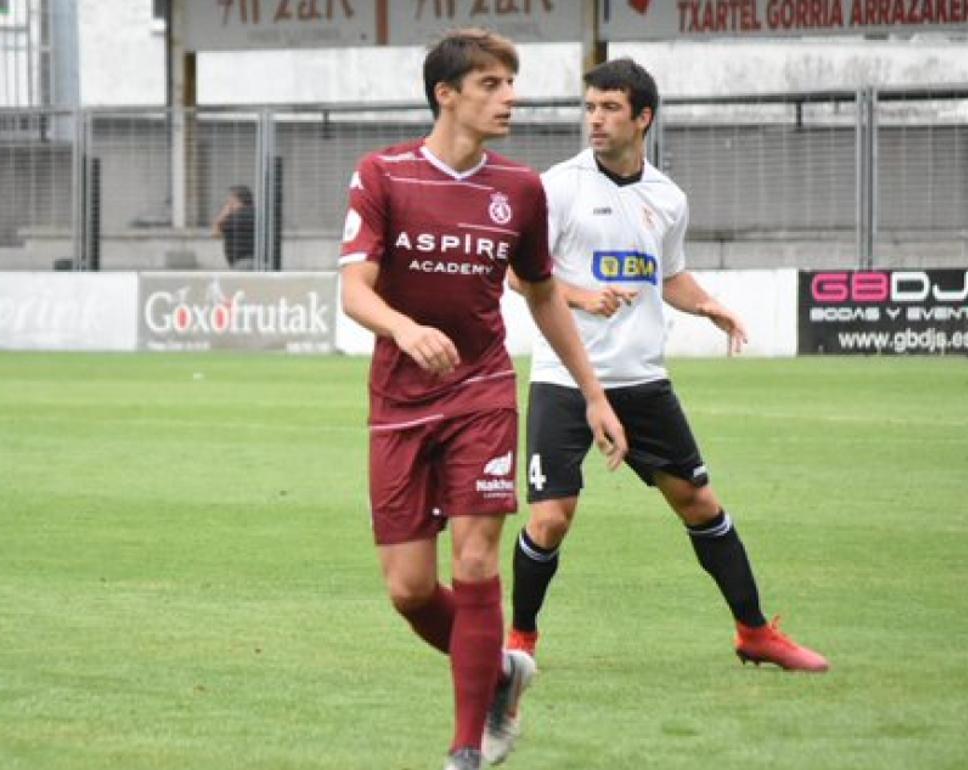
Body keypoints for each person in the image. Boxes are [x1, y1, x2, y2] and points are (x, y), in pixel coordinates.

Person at [339, 30, 629, 770]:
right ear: (448, 94)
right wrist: (404, 329)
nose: (511, 97)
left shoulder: (520, 189)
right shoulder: (383, 174)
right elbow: (351, 292)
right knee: (408, 589)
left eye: (511, 83)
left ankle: (467, 746)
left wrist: (594, 394)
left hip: (483, 392)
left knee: (474, 561)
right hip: (401, 401)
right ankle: (498, 670)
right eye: (493, 84)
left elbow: (541, 296)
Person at [504, 58, 829, 673]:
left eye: (609, 109)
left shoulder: (668, 198)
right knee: (550, 518)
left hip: (644, 381)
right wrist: (578, 297)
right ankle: (520, 639)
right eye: (590, 107)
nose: (595, 120)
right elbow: (522, 273)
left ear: (643, 117)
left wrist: (708, 305)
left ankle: (754, 632)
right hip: (564, 381)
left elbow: (667, 274)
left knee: (701, 505)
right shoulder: (557, 187)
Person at [211, 184, 255, 269]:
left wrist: (223, 214)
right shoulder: (257, 214)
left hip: (243, 264)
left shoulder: (234, 217)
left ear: (236, 199)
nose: (227, 203)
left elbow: (215, 234)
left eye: (229, 201)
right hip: (261, 262)